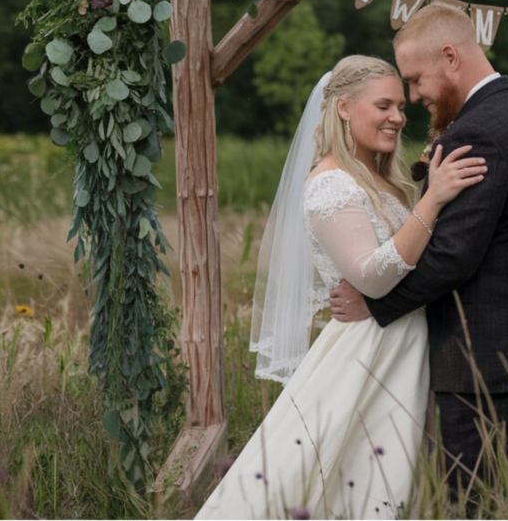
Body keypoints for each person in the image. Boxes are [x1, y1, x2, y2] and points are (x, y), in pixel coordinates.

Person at [195, 55, 487, 520]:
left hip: (406, 344)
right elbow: (372, 275)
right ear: (345, 109)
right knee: (354, 480)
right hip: (370, 351)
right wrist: (433, 199)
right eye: (384, 105)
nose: (397, 116)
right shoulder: (331, 183)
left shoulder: (383, 180)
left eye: (400, 107)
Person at [329, 3, 508, 500]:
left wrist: (373, 304)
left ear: (449, 58)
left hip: (482, 356)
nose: (413, 97)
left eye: (417, 80)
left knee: (473, 500)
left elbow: (452, 257)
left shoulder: (476, 134)